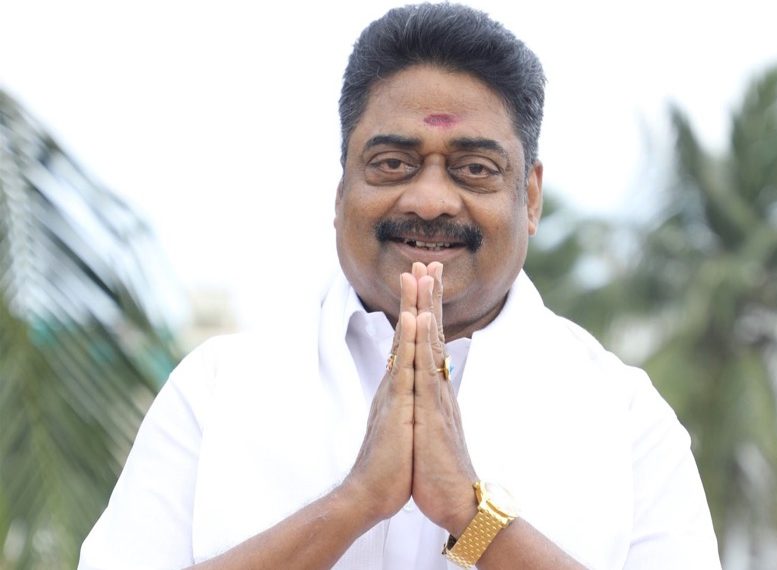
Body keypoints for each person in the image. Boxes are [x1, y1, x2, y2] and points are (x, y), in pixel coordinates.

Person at [78, 3, 721, 569]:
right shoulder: (218, 390)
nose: (431, 199)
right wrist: (355, 503)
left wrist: (473, 516)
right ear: (341, 192)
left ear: (529, 197)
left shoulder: (625, 419)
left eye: (474, 168)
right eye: (392, 163)